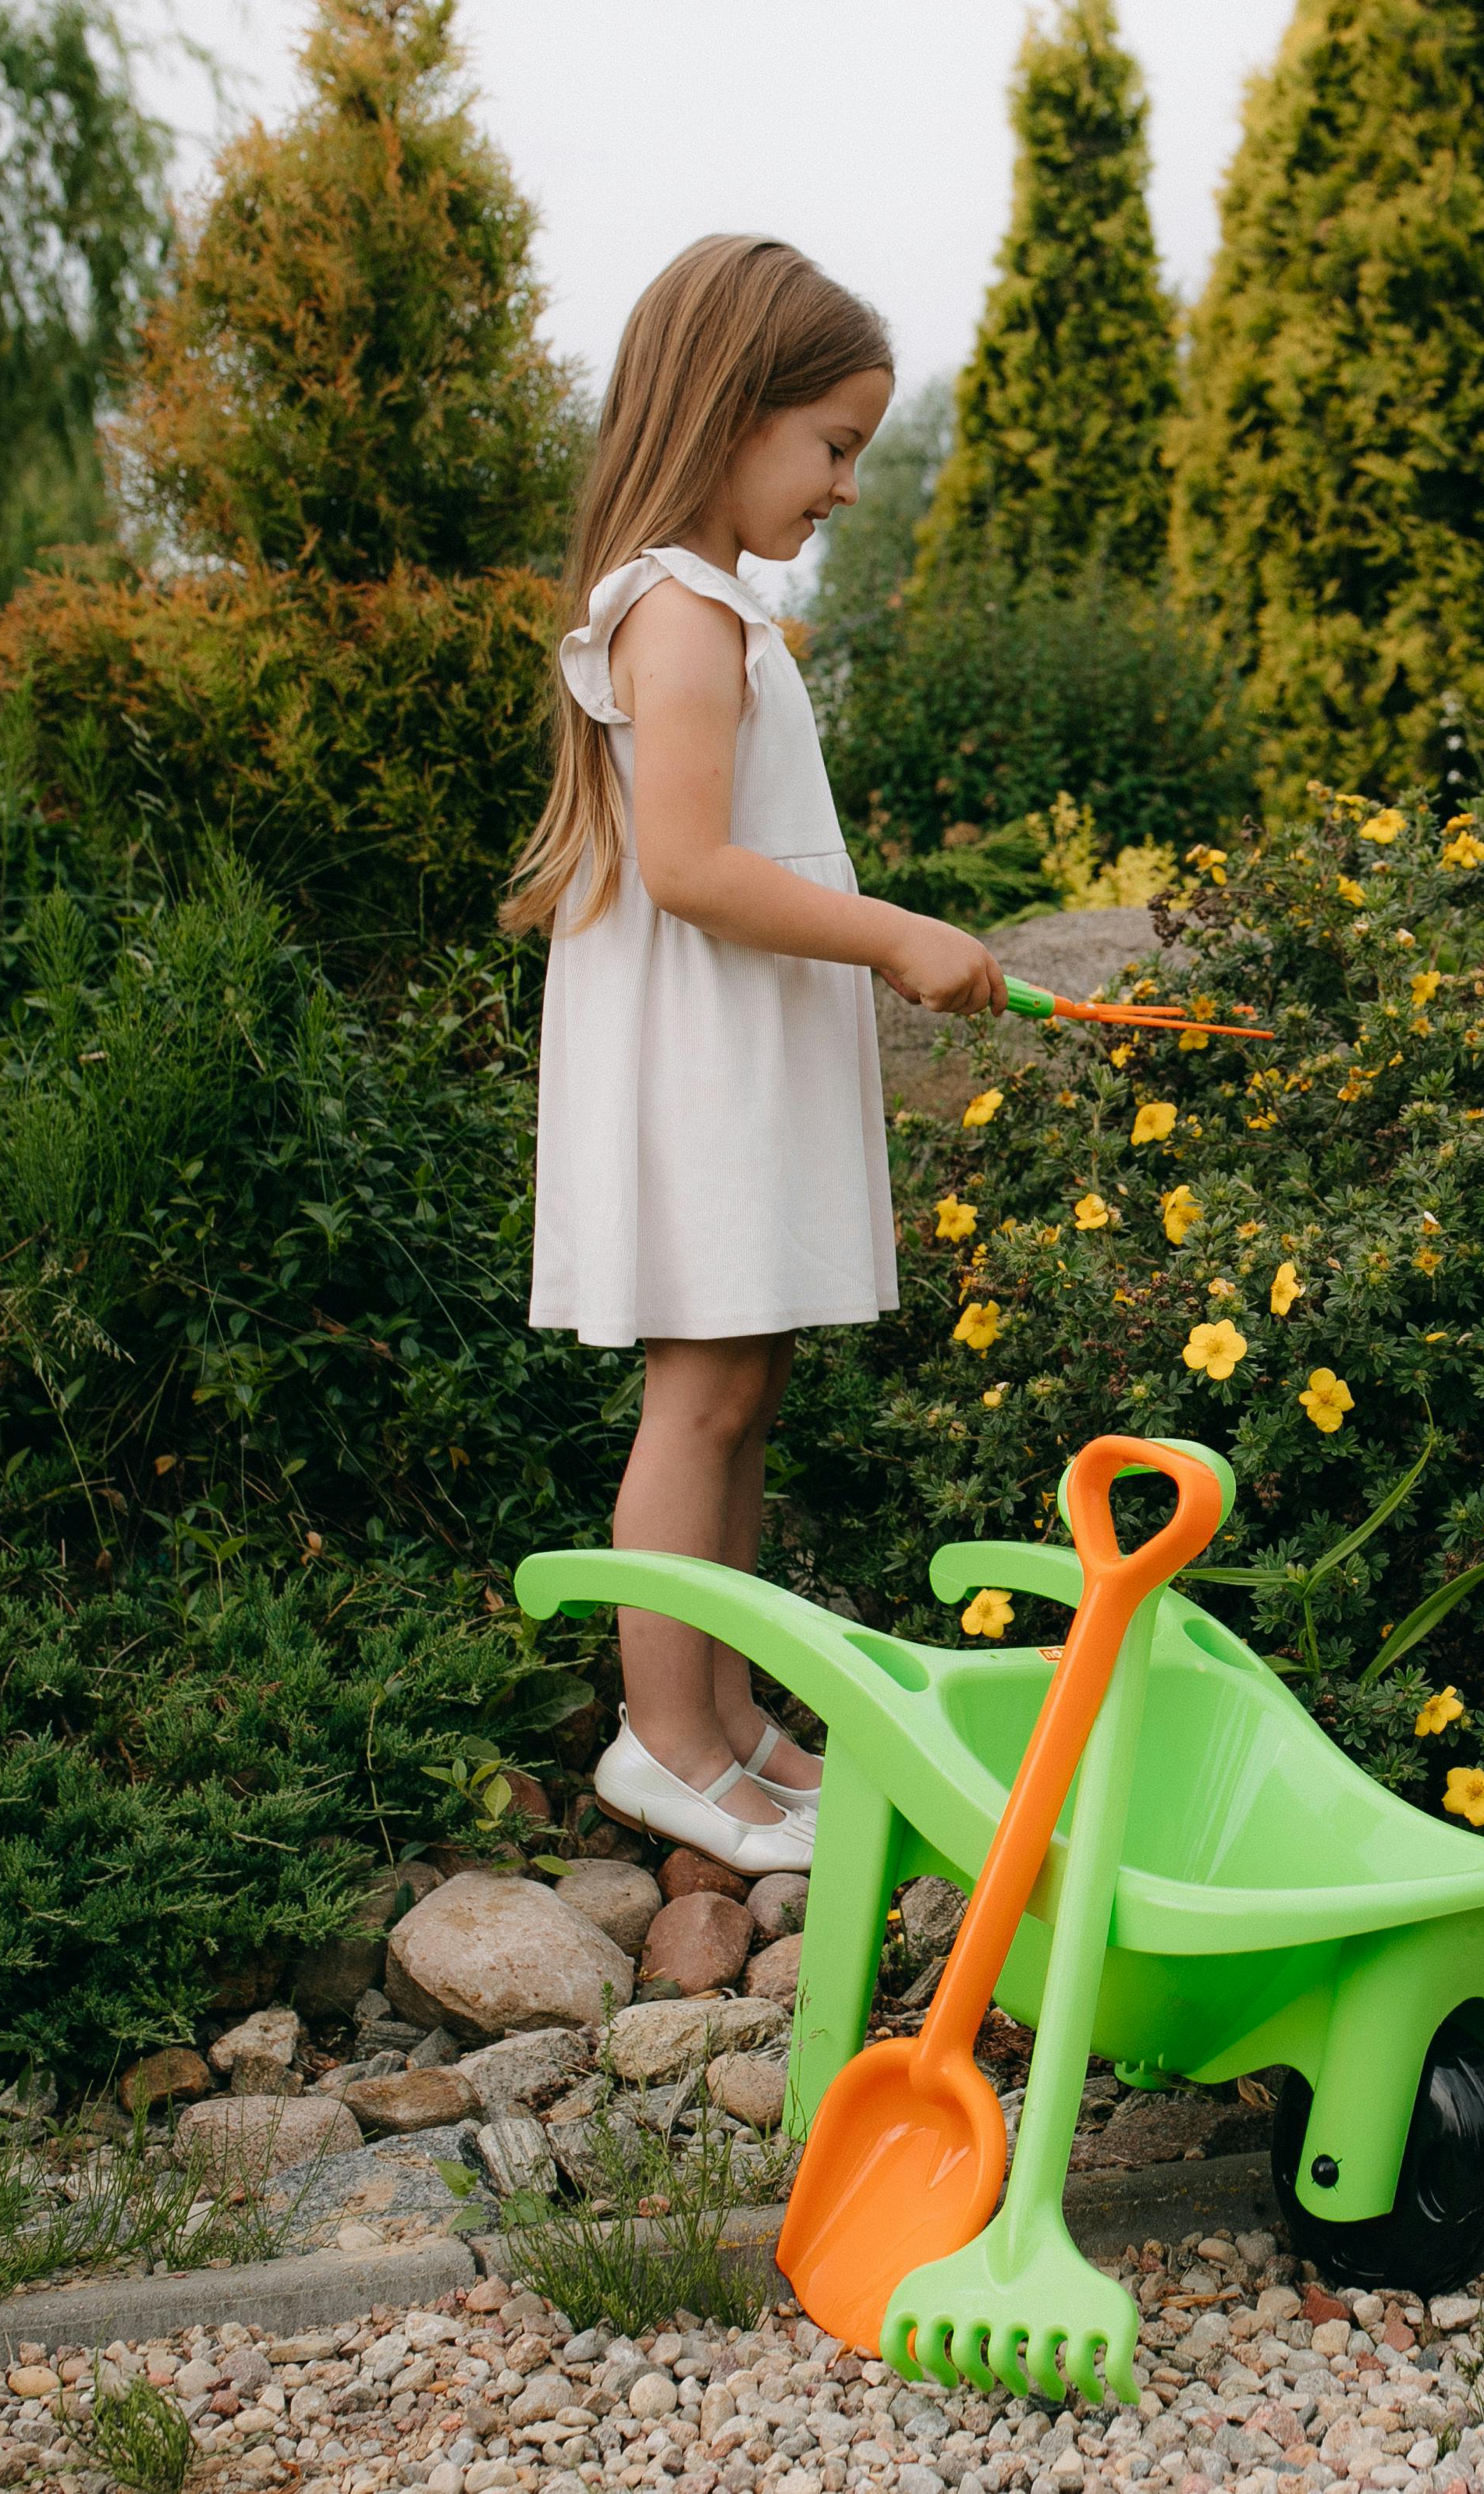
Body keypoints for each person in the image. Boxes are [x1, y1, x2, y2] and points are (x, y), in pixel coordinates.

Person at [504, 236, 1006, 1874]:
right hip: (702, 1063)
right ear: (730, 413)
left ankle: (725, 1724)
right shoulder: (678, 610)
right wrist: (900, 932)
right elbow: (696, 869)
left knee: (745, 1383)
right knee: (702, 1390)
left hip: (739, 1049)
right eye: (836, 444)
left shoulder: (710, 605)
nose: (849, 485)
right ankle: (666, 1742)